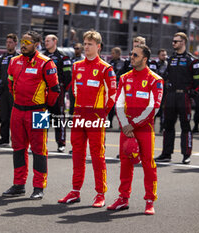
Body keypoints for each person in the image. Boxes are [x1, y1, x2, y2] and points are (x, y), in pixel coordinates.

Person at [58, 30, 116, 208]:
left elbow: (112, 95)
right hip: (78, 115)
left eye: (90, 44)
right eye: (85, 43)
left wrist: (101, 114)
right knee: (77, 154)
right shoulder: (77, 66)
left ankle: (100, 193)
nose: (86, 46)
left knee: (98, 156)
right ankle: (75, 191)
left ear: (98, 46)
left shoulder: (106, 68)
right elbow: (74, 90)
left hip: (96, 116)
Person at [2, 31, 60, 199]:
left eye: (28, 42)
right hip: (17, 110)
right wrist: (19, 101)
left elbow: (55, 89)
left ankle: (38, 187)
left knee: (39, 150)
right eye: (22, 41)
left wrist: (44, 106)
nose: (24, 44)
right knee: (18, 148)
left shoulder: (46, 63)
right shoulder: (14, 61)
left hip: (39, 112)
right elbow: (10, 83)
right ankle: (19, 185)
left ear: (36, 44)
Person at [108, 44, 163, 215]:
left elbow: (154, 107)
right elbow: (118, 103)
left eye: (135, 55)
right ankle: (123, 198)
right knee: (125, 163)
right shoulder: (124, 77)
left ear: (144, 59)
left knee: (148, 164)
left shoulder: (155, 79)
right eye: (131, 54)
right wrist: (125, 124)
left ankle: (149, 200)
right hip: (127, 128)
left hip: (144, 128)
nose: (131, 57)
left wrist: (134, 124)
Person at [155, 32, 199, 164]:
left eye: (176, 41)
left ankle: (186, 154)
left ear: (183, 42)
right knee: (167, 125)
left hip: (184, 96)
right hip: (170, 96)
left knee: (185, 126)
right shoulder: (170, 59)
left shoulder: (192, 60)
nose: (173, 43)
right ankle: (166, 154)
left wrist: (191, 93)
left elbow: (198, 81)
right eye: (173, 41)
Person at [44, 34, 72, 153]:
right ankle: (40, 142)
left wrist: (62, 89)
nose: (46, 43)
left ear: (55, 41)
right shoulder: (41, 55)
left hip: (57, 91)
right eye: (45, 41)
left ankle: (61, 143)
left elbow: (68, 76)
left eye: (48, 40)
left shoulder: (63, 57)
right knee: (41, 116)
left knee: (59, 117)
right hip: (43, 91)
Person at [0, 33, 19, 147]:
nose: (8, 44)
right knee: (4, 116)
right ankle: (4, 139)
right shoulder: (2, 57)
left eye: (11, 42)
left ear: (15, 43)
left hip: (15, 91)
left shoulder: (19, 57)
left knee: (15, 117)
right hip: (4, 90)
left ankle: (16, 139)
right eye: (7, 42)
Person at [108, 47, 125, 128]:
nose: (112, 55)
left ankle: (120, 124)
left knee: (120, 106)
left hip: (120, 87)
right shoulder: (110, 62)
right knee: (111, 105)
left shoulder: (123, 62)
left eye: (113, 53)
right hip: (111, 87)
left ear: (118, 54)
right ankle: (110, 123)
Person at [155, 49, 168, 133]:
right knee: (154, 109)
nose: (164, 56)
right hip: (155, 90)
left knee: (164, 110)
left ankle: (162, 127)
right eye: (162, 55)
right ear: (158, 56)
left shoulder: (168, 65)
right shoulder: (154, 64)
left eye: (165, 55)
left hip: (165, 90)